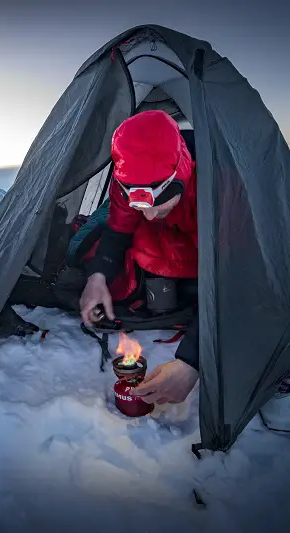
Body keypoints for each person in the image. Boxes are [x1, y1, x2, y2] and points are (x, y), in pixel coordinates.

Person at [79, 109, 202, 406]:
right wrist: (97, 277)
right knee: (132, 248)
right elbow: (118, 229)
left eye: (157, 200)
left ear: (179, 178)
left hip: (212, 245)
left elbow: (237, 278)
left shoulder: (218, 189)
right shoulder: (127, 181)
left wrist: (192, 361)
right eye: (138, 202)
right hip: (174, 235)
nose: (147, 213)